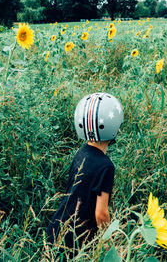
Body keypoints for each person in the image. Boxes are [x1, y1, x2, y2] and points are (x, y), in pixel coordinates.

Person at [46, 92, 124, 260]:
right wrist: (110, 244)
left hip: (57, 228)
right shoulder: (106, 166)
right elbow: (101, 214)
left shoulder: (80, 153)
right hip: (76, 240)